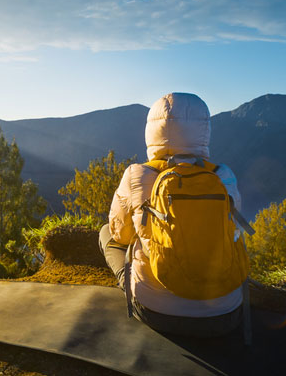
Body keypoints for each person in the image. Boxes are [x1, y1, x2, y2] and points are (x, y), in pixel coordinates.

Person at [99, 92, 244, 337]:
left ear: (153, 130)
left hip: (158, 311)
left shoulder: (138, 174)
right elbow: (236, 234)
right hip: (226, 312)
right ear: (204, 130)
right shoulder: (223, 175)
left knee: (107, 233)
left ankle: (128, 283)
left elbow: (121, 235)